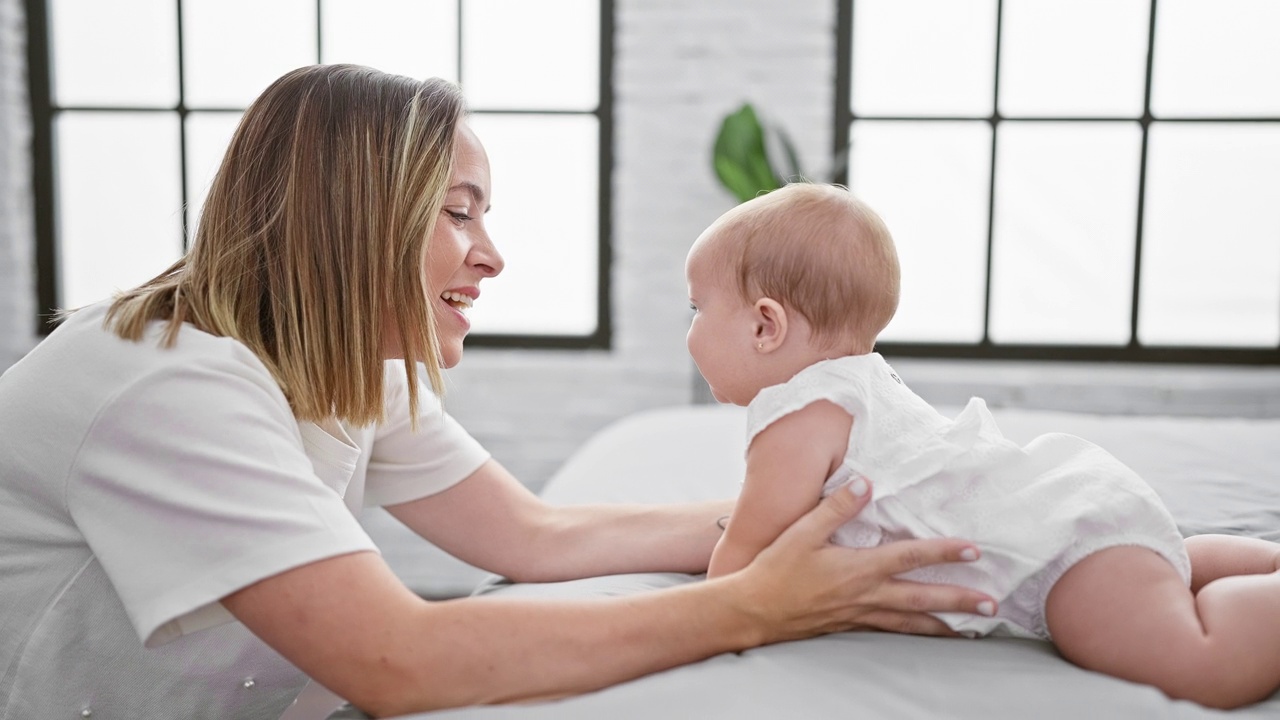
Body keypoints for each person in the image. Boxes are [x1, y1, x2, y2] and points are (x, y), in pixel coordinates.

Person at [0, 65, 1000, 720]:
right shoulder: (167, 389)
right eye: (460, 214)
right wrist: (753, 606)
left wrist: (841, 517)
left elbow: (538, 538)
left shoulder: (343, 358)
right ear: (357, 218)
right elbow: (398, 660)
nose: (491, 257)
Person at [689, 181, 1280, 709]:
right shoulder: (863, 383)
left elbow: (738, 579)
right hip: (1072, 518)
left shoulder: (794, 416)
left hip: (1064, 564)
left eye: (698, 308)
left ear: (766, 325)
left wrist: (703, 613)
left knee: (1201, 662)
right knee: (1165, 562)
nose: (690, 329)